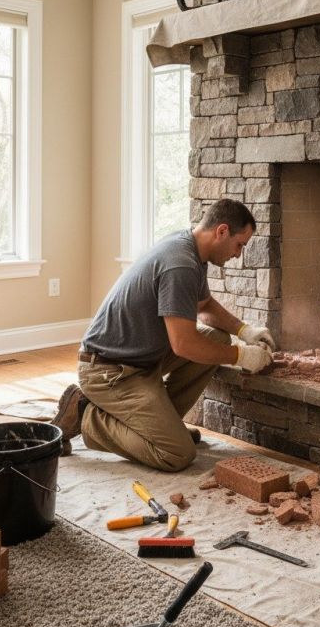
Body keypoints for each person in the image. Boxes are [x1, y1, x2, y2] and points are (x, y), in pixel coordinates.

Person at [51, 198, 275, 471]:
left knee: (218, 339)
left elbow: (203, 306)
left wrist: (244, 331)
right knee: (176, 453)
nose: (239, 254)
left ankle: (160, 428)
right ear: (222, 231)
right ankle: (85, 414)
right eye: (240, 244)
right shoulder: (180, 263)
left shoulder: (191, 249)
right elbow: (183, 344)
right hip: (108, 370)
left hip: (141, 359)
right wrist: (242, 356)